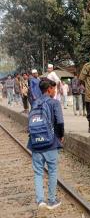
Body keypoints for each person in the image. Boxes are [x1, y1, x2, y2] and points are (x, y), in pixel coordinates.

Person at [27, 78, 64, 210]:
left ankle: (40, 201)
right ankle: (52, 201)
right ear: (49, 89)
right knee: (52, 171)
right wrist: (61, 136)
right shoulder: (54, 103)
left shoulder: (35, 102)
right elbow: (59, 122)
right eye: (54, 89)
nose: (55, 91)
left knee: (38, 172)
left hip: (35, 143)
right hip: (50, 142)